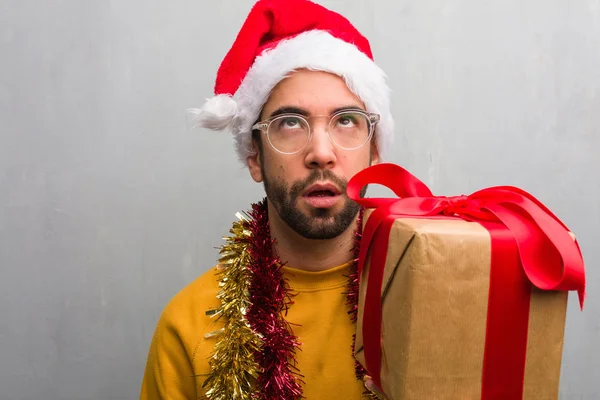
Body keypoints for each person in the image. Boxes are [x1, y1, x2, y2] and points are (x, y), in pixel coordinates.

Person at [140, 0, 394, 398]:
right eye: (290, 123)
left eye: (346, 120)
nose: (321, 152)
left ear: (374, 150)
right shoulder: (189, 325)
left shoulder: (429, 295)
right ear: (254, 156)